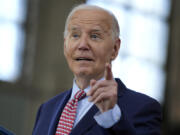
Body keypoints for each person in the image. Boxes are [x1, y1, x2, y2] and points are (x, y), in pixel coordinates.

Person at [32, 4, 162, 135]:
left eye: (94, 36)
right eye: (75, 35)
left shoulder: (143, 108)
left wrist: (111, 116)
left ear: (115, 49)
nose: (82, 45)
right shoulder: (46, 109)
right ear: (65, 45)